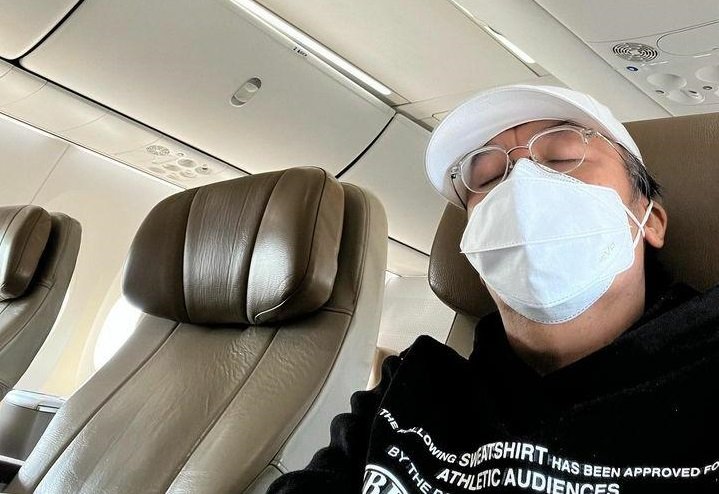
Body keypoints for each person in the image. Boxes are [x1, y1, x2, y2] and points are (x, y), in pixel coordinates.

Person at [266, 85, 719, 493]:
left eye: (562, 157)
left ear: (650, 221)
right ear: (479, 247)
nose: (521, 189)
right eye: (487, 179)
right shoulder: (412, 385)